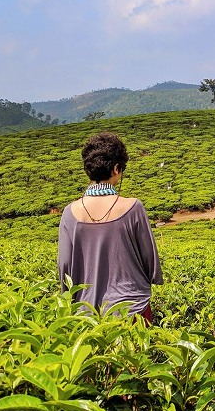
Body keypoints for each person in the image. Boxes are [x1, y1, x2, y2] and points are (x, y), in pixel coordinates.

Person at [58, 131, 162, 324]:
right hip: (132, 309)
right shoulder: (133, 207)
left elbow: (64, 266)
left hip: (86, 314)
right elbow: (150, 262)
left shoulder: (69, 213)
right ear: (116, 168)